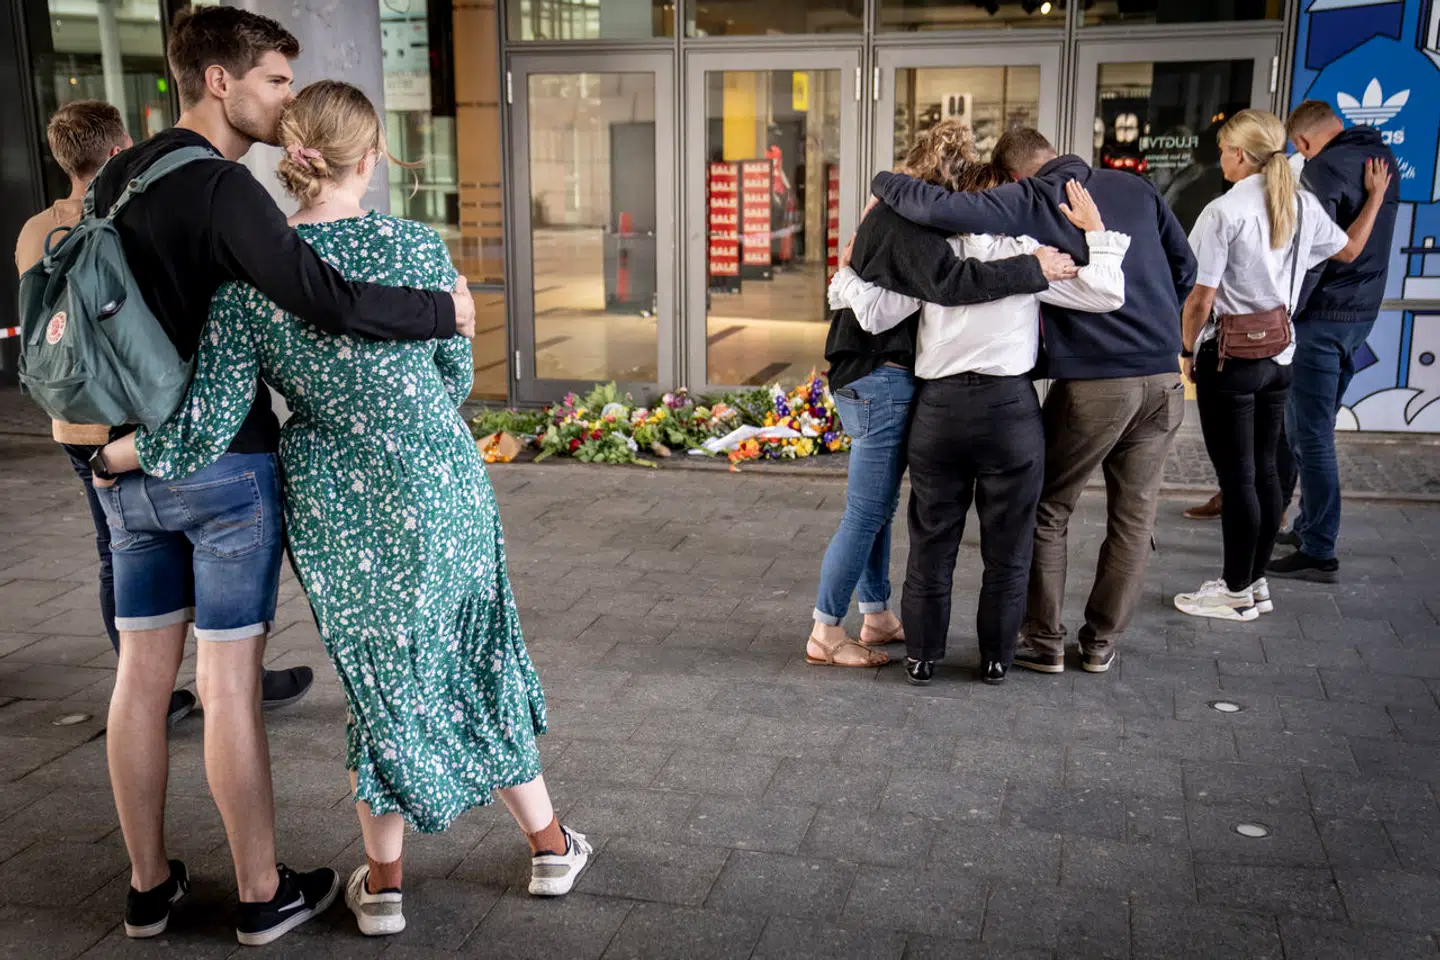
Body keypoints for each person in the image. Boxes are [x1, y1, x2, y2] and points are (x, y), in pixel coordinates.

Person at [100, 79, 588, 940]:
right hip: (443, 486)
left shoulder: (247, 286)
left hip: (338, 505)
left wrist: (120, 455)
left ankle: (387, 889)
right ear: (373, 159)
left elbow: (207, 419)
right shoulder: (418, 251)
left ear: (292, 163)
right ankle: (550, 848)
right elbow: (450, 379)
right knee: (475, 660)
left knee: (382, 685)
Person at [83, 7, 476, 947]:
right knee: (224, 683)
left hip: (127, 462)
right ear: (219, 81)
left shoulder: (116, 179)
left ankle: (147, 889)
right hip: (225, 470)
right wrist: (440, 310)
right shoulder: (223, 188)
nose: (285, 100)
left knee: (140, 679)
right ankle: (262, 894)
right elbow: (316, 293)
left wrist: (113, 450)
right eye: (274, 80)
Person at [14, 101, 316, 723]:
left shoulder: (37, 230)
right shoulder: (137, 208)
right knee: (216, 571)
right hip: (157, 421)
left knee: (114, 557)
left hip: (79, 425)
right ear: (123, 144)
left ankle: (154, 684)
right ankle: (230, 676)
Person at [869, 128, 1196, 676]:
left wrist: (882, 191)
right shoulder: (1105, 210)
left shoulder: (957, 247)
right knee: (1090, 528)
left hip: (962, 406)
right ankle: (1065, 650)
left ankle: (948, 654)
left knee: (948, 532)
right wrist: (1103, 241)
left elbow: (880, 305)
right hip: (1117, 387)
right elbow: (1160, 276)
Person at [831, 131, 1128, 685]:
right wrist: (1098, 236)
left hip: (938, 413)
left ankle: (921, 658)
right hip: (1008, 413)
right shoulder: (1032, 259)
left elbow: (873, 315)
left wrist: (848, 272)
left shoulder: (935, 262)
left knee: (932, 541)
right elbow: (1107, 294)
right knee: (1008, 546)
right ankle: (995, 660)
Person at [1172, 109, 1391, 621]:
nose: (1220, 158)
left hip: (1230, 359)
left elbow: (1200, 300)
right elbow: (1352, 248)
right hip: (1281, 355)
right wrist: (1376, 198)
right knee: (1267, 473)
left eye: (1226, 150)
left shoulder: (1222, 212)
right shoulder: (1300, 202)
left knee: (1238, 477)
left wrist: (1185, 351)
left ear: (1242, 155)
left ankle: (1233, 591)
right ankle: (1255, 582)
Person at [1267, 100, 1400, 582]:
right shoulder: (1380, 161)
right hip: (1359, 317)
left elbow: (1316, 255)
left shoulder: (1322, 169)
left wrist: (1287, 310)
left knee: (1310, 434)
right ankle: (1308, 527)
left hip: (1322, 320)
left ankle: (1319, 548)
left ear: (1302, 143)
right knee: (1310, 427)